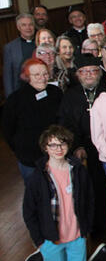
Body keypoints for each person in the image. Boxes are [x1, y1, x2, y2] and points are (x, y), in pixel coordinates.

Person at [22, 125, 94, 261]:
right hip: (51, 239)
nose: (58, 149)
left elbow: (89, 200)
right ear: (45, 148)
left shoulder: (78, 170)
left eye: (62, 144)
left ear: (68, 145)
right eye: (52, 145)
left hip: (76, 235)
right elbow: (29, 211)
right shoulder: (38, 177)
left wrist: (86, 229)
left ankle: (55, 257)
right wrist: (39, 240)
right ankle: (41, 255)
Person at [3, 58, 64, 186]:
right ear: (26, 77)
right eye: (36, 75)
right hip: (30, 158)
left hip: (56, 155)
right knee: (36, 196)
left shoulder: (56, 93)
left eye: (45, 74)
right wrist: (20, 149)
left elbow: (63, 120)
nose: (42, 78)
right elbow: (7, 130)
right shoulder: (15, 99)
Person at [3, 13, 37, 96]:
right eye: (24, 25)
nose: (28, 28)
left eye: (30, 24)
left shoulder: (41, 42)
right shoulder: (10, 47)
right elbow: (8, 76)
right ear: (18, 27)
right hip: (21, 90)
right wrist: (10, 98)